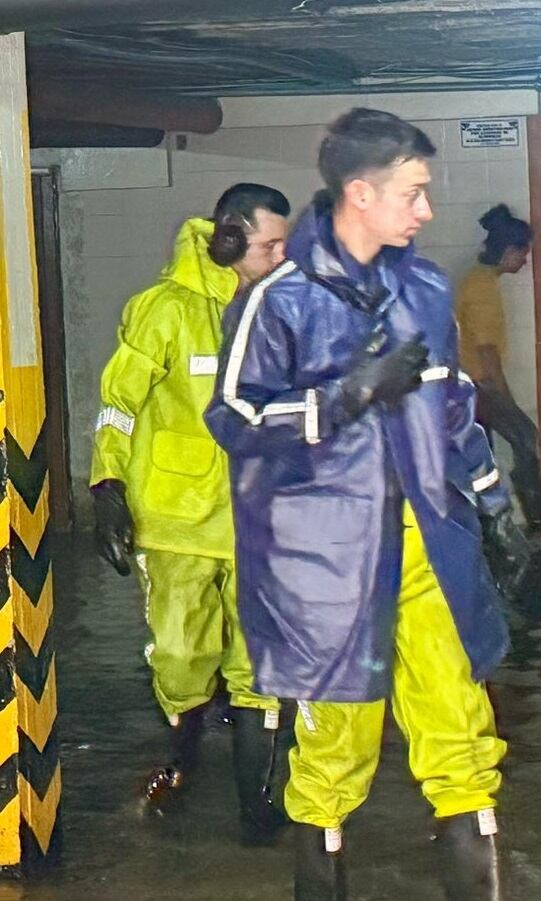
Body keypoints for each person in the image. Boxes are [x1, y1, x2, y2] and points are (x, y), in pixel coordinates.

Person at [205, 108, 528, 901]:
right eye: (413, 193)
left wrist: (493, 503)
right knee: (330, 757)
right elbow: (235, 418)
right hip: (326, 564)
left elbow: (451, 405)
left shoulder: (420, 287)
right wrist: (344, 397)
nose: (425, 211)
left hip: (429, 547)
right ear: (360, 192)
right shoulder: (276, 302)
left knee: (462, 742)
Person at [89, 183, 293, 840]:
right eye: (269, 244)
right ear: (229, 238)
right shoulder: (164, 311)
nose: (281, 255)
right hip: (179, 521)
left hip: (262, 524)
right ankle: (182, 748)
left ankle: (256, 813)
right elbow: (119, 401)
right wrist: (106, 486)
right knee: (180, 659)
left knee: (263, 665)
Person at [455, 204, 541, 526]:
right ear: (509, 251)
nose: (524, 262)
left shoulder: (481, 281)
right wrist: (505, 398)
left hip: (473, 385)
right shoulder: (481, 289)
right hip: (481, 385)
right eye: (522, 255)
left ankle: (495, 522)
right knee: (525, 435)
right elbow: (486, 352)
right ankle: (535, 519)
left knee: (489, 451)